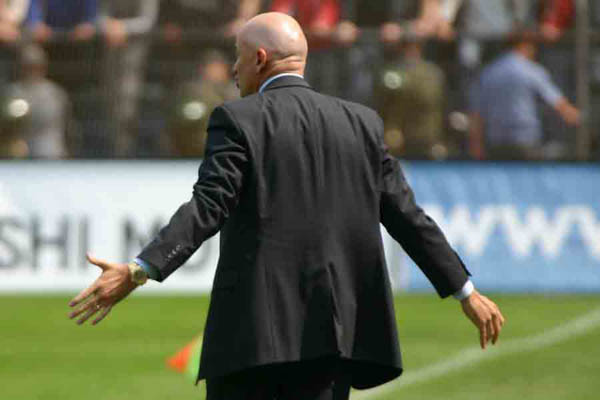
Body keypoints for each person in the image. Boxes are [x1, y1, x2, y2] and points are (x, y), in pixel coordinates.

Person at [69, 12, 505, 400]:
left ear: (260, 58)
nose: (234, 70)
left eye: (238, 58)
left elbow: (208, 207)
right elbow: (407, 217)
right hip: (333, 336)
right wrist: (464, 291)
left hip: (252, 338)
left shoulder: (236, 119)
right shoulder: (362, 123)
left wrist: (139, 271)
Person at [469, 31, 580, 160]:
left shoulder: (489, 72)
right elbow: (558, 103)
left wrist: (476, 144)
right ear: (525, 45)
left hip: (496, 140)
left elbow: (477, 113)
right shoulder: (531, 70)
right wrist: (577, 118)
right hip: (525, 139)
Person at [98, 0, 159, 157]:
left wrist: (123, 28)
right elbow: (101, 14)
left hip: (136, 53)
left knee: (128, 101)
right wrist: (109, 26)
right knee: (110, 99)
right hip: (111, 51)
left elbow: (147, 21)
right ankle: (113, 147)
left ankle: (127, 149)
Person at [4, 44, 74, 158]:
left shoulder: (54, 92)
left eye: (35, 66)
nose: (31, 71)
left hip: (49, 151)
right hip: (19, 153)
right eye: (27, 66)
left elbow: (61, 122)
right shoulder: (12, 92)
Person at [166, 49, 238, 157]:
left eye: (218, 68)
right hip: (196, 149)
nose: (215, 72)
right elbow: (184, 119)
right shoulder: (191, 92)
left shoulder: (236, 91)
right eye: (212, 67)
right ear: (203, 70)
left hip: (229, 150)